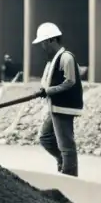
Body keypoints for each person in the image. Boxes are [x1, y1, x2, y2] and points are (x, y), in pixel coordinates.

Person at [34, 22, 83, 177]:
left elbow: (70, 82)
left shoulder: (66, 58)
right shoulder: (53, 60)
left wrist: (48, 91)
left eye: (43, 42)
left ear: (51, 40)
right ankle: (64, 162)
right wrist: (44, 90)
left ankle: (69, 175)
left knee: (66, 144)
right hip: (54, 106)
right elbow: (48, 81)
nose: (43, 46)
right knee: (45, 138)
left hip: (64, 107)